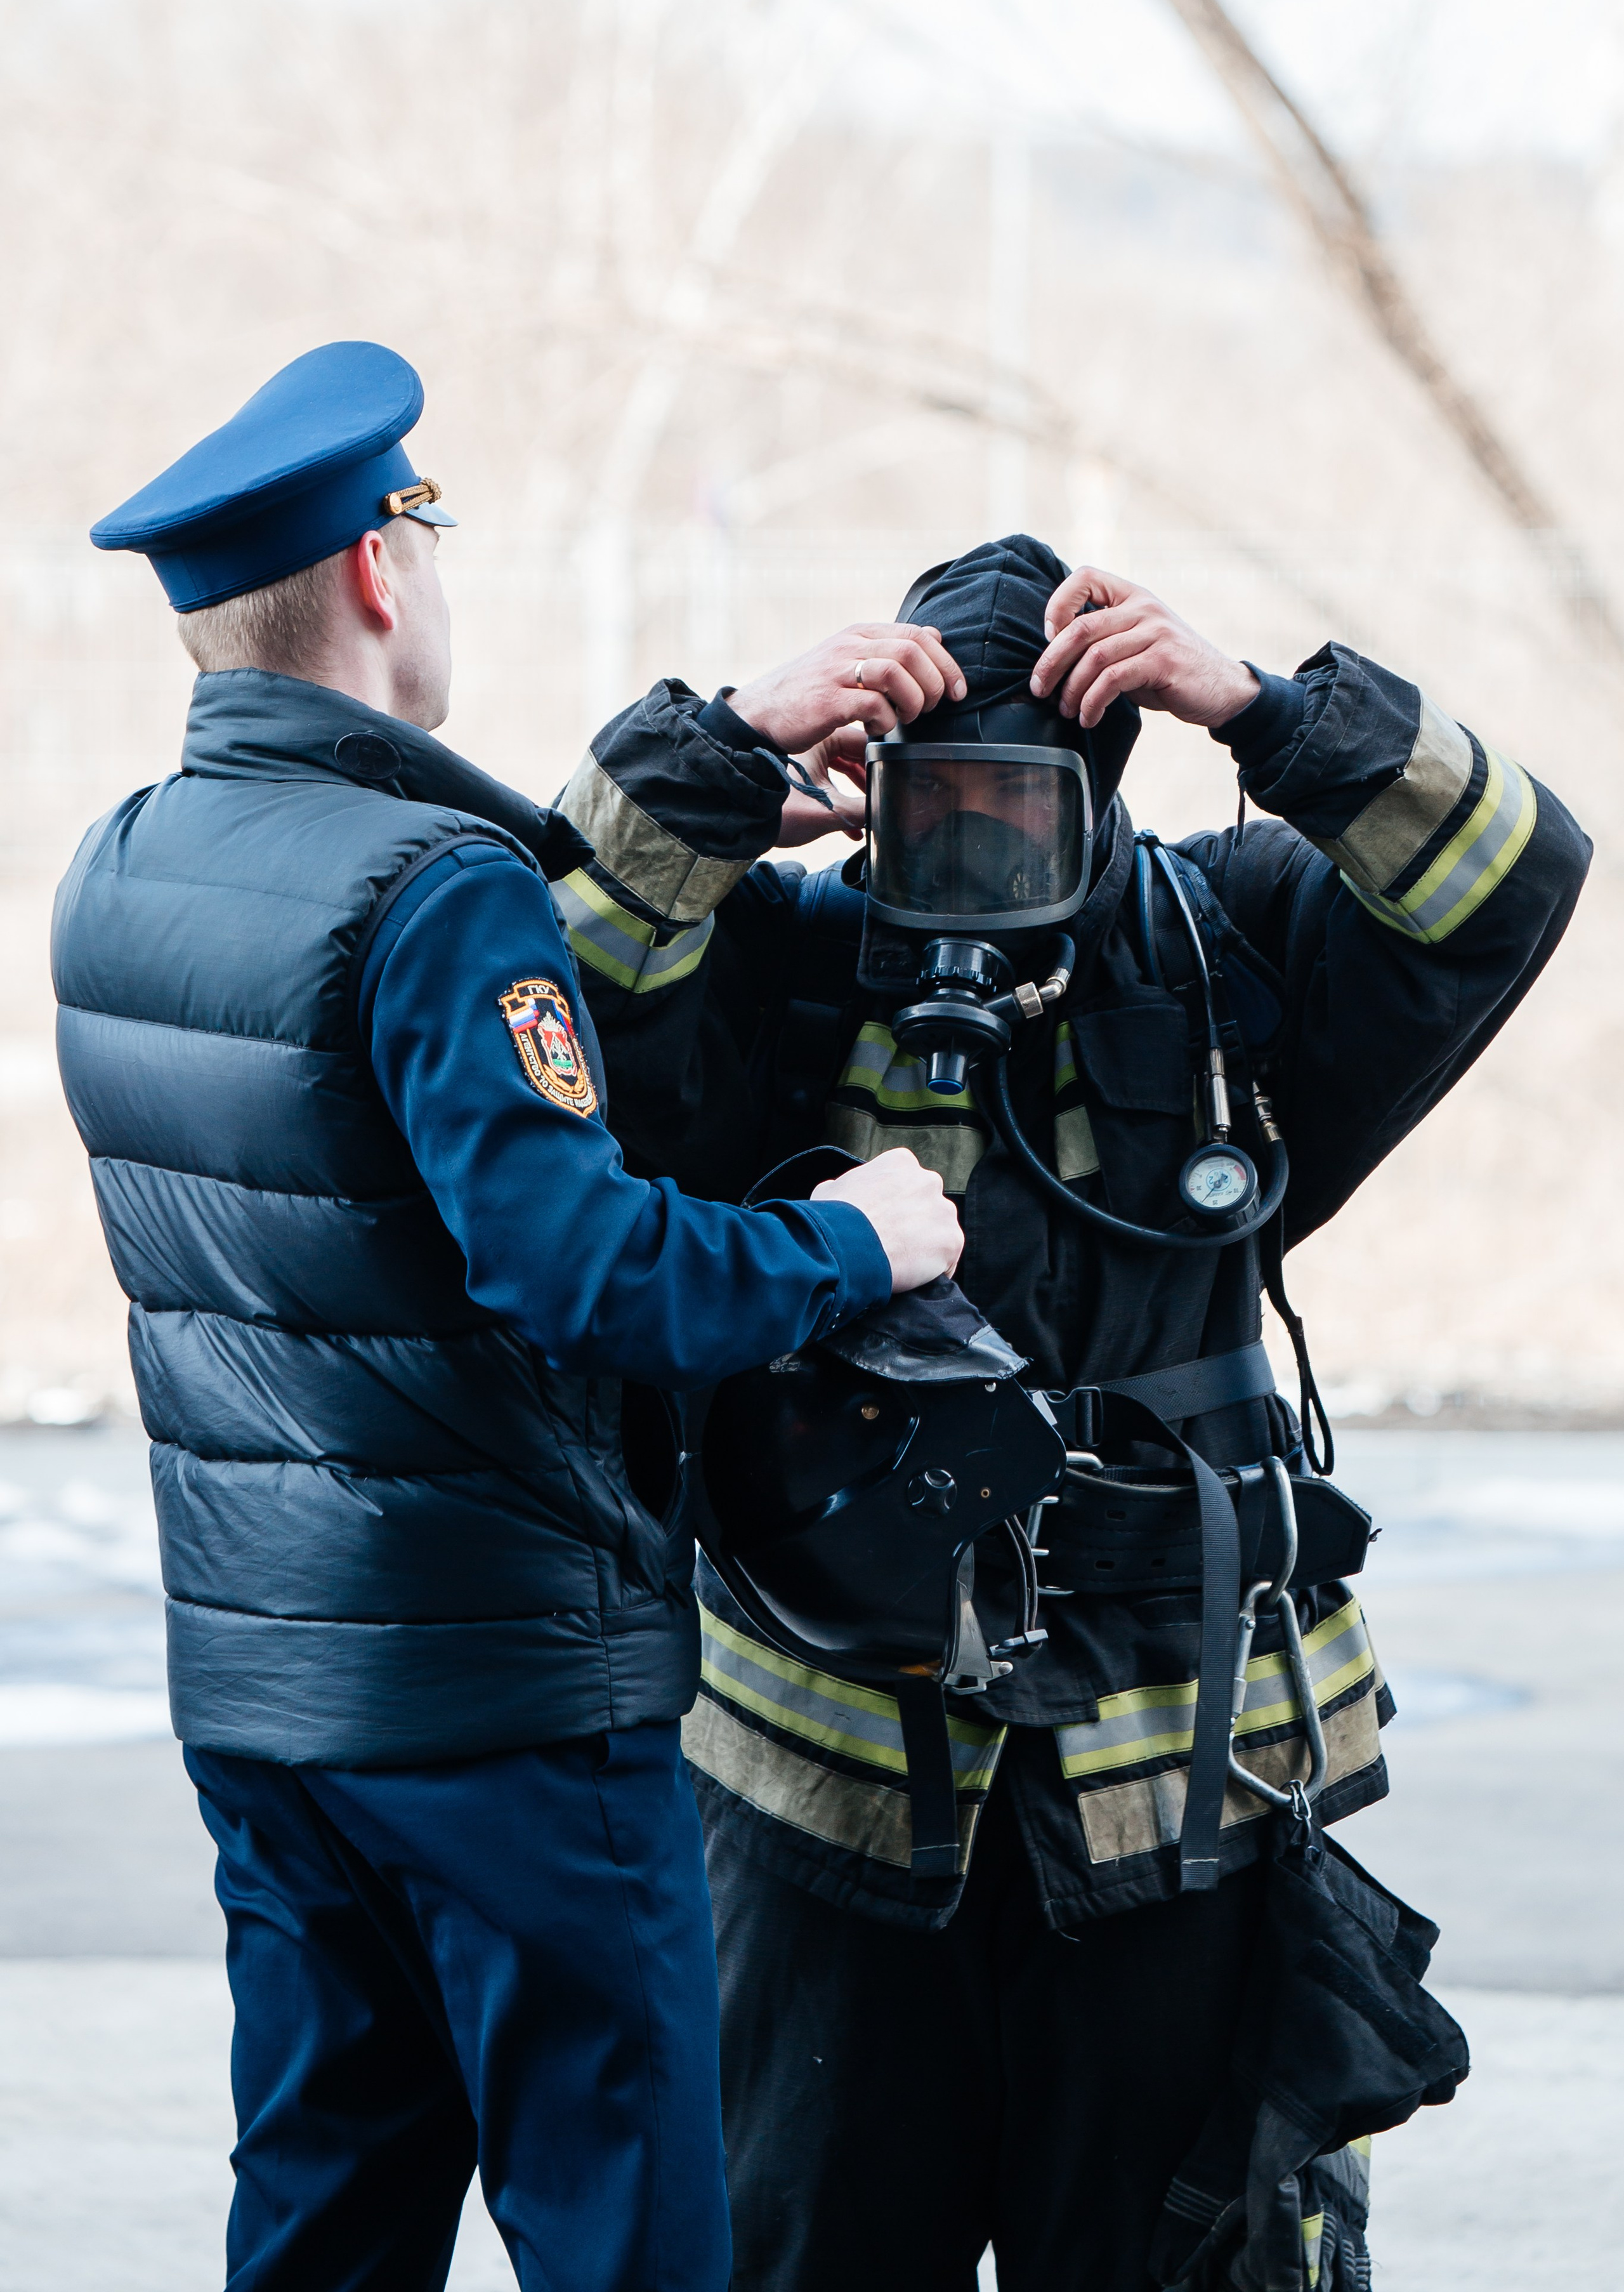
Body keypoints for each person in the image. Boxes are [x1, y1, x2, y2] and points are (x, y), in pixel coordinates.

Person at [551, 533, 1591, 2291]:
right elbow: (547, 961)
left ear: (1099, 788)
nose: (970, 845)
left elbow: (1509, 874)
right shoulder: (788, 970)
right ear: (868, 790)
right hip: (831, 1801)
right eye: (929, 797)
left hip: (1180, 1797)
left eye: (1015, 798)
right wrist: (726, 752)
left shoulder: (1227, 959)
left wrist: (1268, 711)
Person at [51, 339, 962, 2292]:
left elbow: (364, 1036)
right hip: (512, 1717)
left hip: (269, 1699)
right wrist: (861, 1244)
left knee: (323, 2218)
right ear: (386, 568)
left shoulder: (121, 871)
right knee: (624, 2236)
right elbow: (587, 1268)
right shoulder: (444, 893)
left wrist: (715, 763)